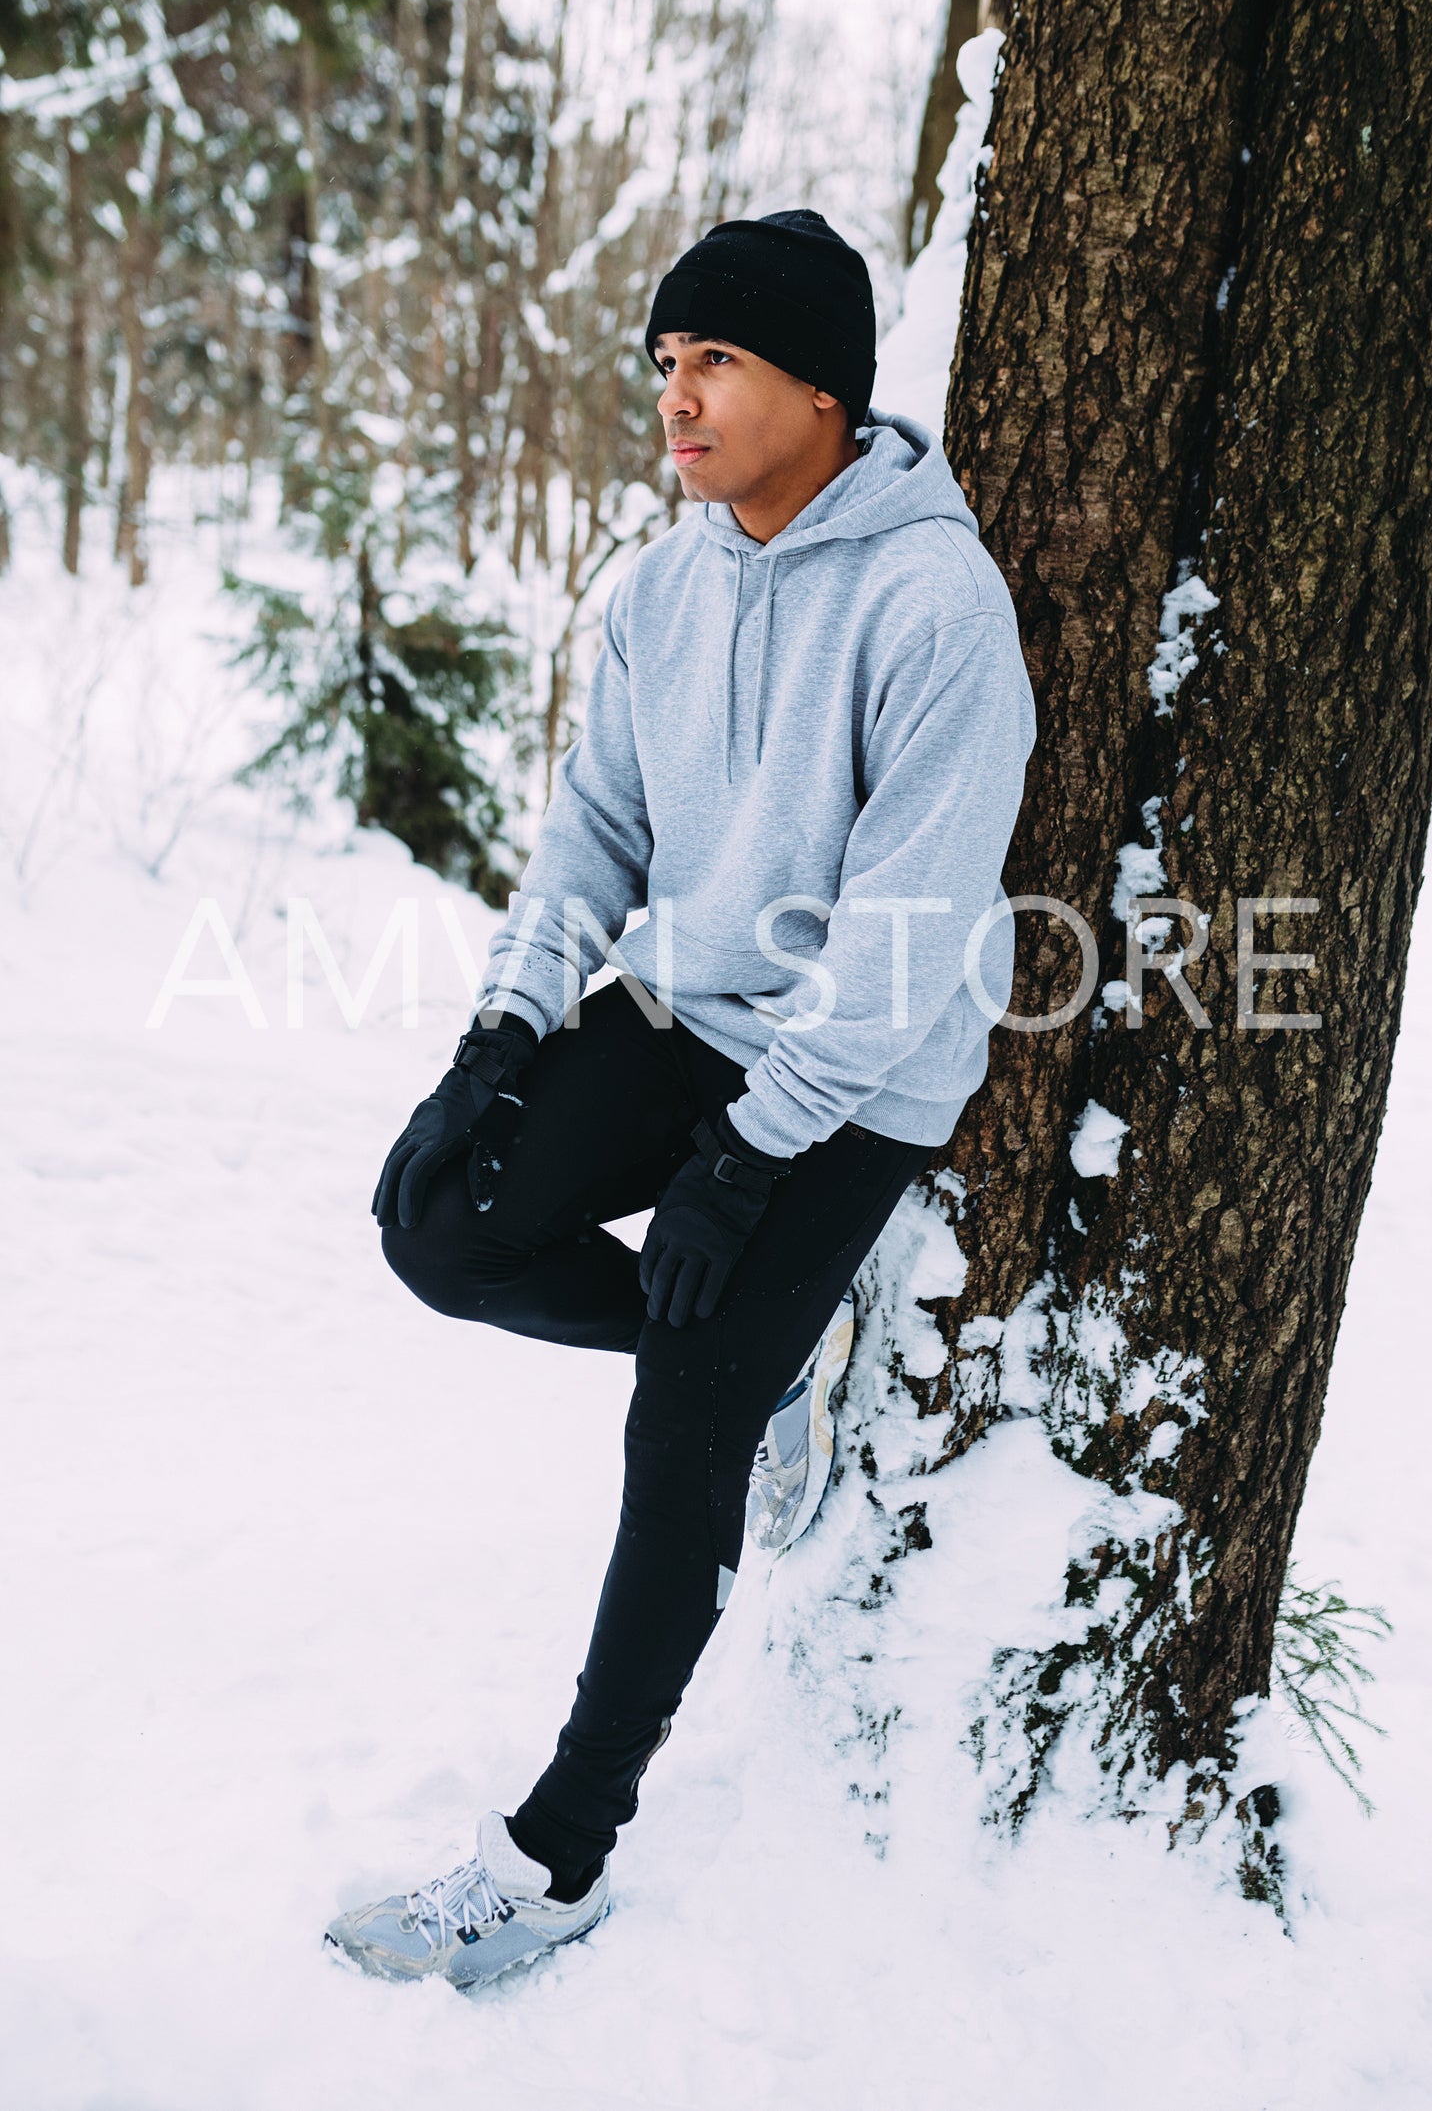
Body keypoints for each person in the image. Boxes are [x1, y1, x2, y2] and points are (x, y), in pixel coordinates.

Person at [324, 209, 1037, 1990]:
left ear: (820, 384)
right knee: (441, 1225)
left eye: (711, 358)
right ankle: (755, 1350)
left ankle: (559, 1856)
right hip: (694, 1000)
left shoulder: (935, 604)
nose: (676, 396)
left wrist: (752, 1157)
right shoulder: (662, 585)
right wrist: (495, 1037)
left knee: (682, 1433)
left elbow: (906, 930)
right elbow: (597, 835)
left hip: (859, 1074)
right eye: (663, 362)